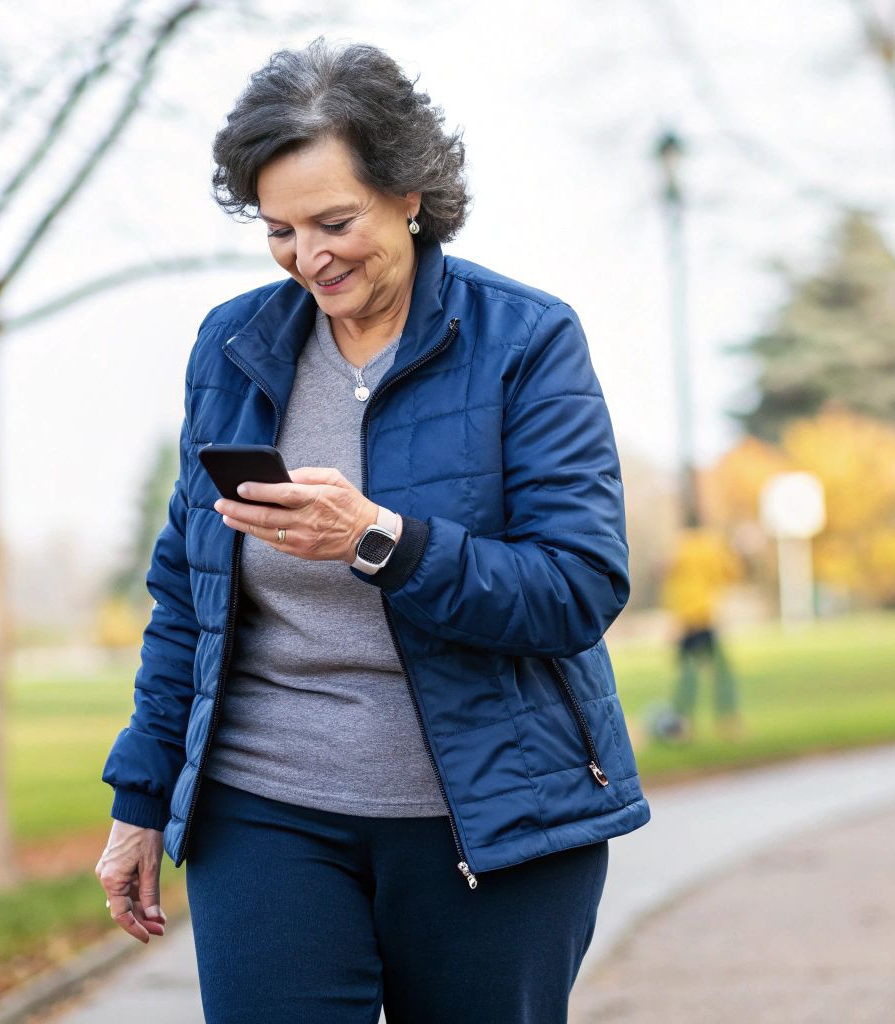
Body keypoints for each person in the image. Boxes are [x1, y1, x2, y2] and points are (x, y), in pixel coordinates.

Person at [93, 39, 648, 1023]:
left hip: (490, 823)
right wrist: (140, 798)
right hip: (264, 812)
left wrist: (377, 538)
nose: (310, 257)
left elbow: (576, 587)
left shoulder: (526, 340)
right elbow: (187, 592)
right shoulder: (232, 347)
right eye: (279, 230)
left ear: (409, 194)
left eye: (333, 221)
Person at [658, 527, 744, 742]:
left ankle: (681, 726)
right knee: (721, 673)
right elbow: (731, 573)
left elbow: (664, 572)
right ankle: (727, 721)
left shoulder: (678, 547)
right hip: (704, 616)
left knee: (688, 676)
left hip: (685, 619)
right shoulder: (712, 545)